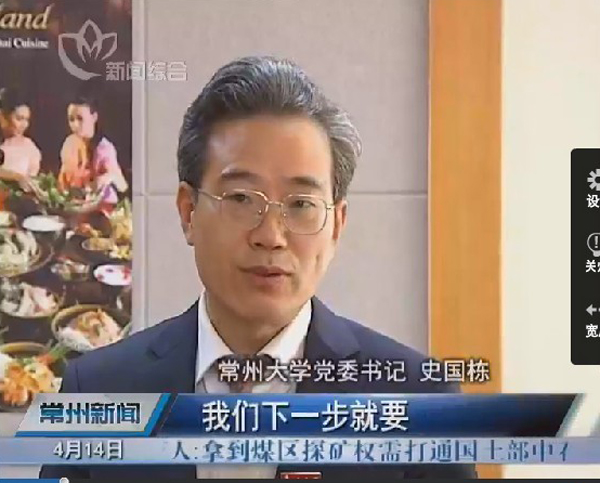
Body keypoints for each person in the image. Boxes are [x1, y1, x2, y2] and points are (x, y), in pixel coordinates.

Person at [40, 56, 476, 480]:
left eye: (301, 204)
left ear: (337, 226)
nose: (271, 235)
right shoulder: (97, 389)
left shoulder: (419, 400)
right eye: (241, 199)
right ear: (188, 212)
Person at [58, 94, 128, 206]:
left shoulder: (104, 148)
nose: (75, 125)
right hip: (74, 205)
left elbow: (122, 186)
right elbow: (63, 178)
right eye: (71, 119)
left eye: (80, 119)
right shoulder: (69, 143)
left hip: (103, 206)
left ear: (94, 117)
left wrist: (107, 177)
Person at [0, 87, 41, 192]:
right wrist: (16, 177)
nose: (24, 125)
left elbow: (32, 180)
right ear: (2, 116)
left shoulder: (29, 147)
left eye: (26, 120)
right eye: (19, 118)